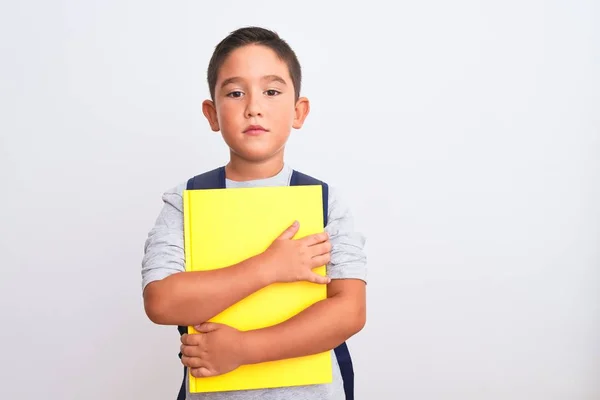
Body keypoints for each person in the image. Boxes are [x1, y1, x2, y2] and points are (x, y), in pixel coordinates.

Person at [141, 26, 367, 400]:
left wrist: (244, 349)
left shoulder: (325, 201)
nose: (254, 106)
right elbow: (162, 302)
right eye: (235, 92)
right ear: (212, 114)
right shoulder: (186, 199)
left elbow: (349, 310)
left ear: (299, 111)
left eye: (272, 91)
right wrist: (268, 268)